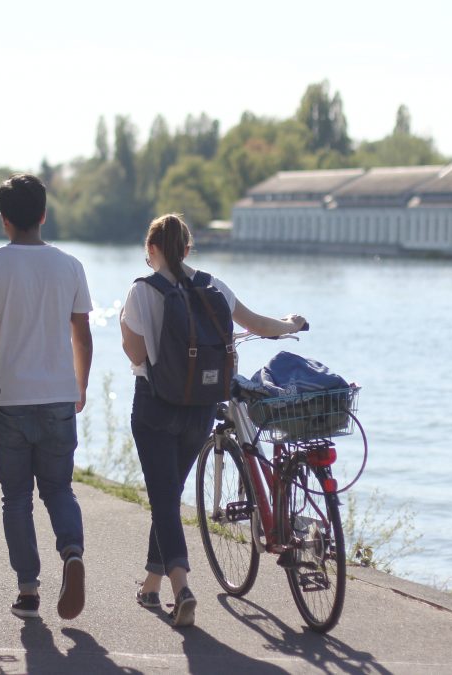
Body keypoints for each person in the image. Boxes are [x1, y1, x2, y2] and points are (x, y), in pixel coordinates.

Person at [119, 214, 305, 627]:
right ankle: (151, 585)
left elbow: (135, 356)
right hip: (201, 407)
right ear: (187, 249)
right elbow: (257, 324)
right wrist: (292, 324)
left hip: (155, 405)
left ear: (151, 250)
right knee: (167, 496)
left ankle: (182, 587)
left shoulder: (141, 292)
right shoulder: (213, 286)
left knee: (164, 499)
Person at [0, 173, 93, 621]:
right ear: (44, 215)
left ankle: (28, 591)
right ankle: (73, 554)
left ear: (4, 220)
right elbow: (82, 333)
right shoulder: (70, 266)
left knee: (17, 498)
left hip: (9, 399)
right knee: (59, 488)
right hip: (59, 397)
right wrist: (79, 386)